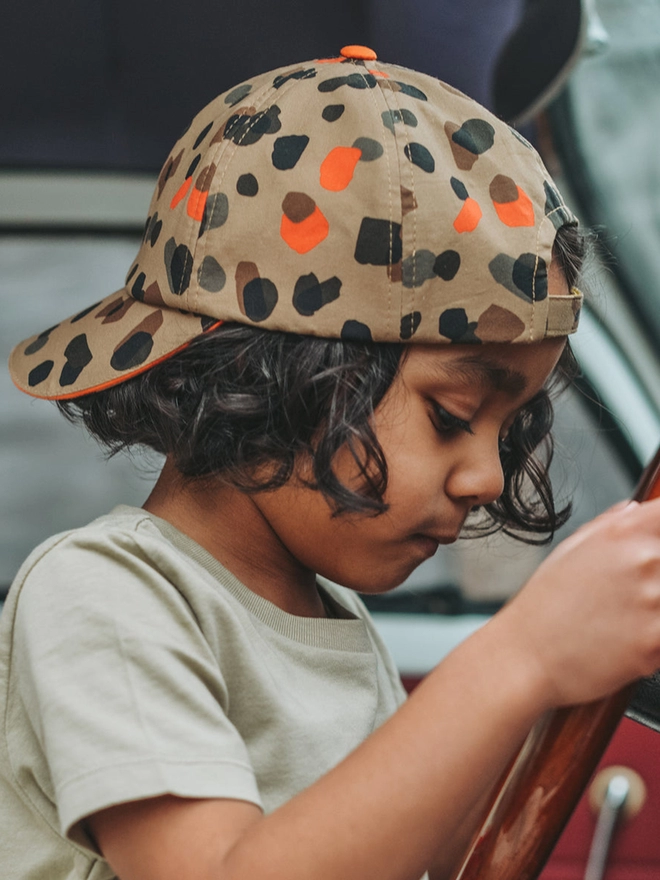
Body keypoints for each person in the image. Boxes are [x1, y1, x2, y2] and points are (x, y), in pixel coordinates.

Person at [2, 44, 660, 880]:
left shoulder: (332, 620)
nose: (488, 477)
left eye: (510, 428)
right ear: (269, 372)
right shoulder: (106, 595)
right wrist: (521, 659)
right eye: (452, 414)